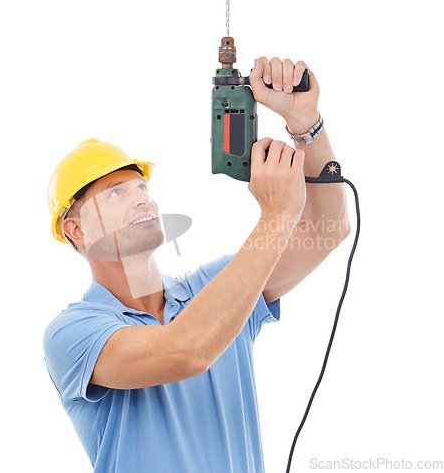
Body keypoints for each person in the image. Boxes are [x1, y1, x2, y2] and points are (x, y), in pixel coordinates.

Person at [43, 57, 351, 473]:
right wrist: (276, 218)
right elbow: (186, 351)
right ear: (76, 230)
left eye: (141, 187)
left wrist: (305, 125)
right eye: (116, 194)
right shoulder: (74, 332)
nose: (141, 199)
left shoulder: (218, 287)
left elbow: (328, 229)